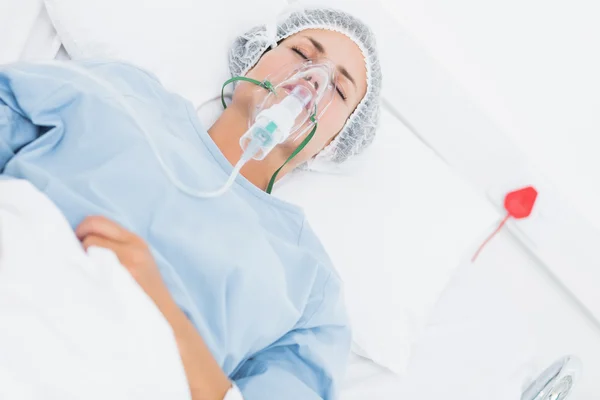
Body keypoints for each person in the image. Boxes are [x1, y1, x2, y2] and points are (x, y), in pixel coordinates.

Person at [0, 6, 381, 400]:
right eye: (302, 54)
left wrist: (164, 315)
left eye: (338, 90)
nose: (310, 83)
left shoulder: (310, 287)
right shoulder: (124, 92)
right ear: (258, 55)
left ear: (337, 142)